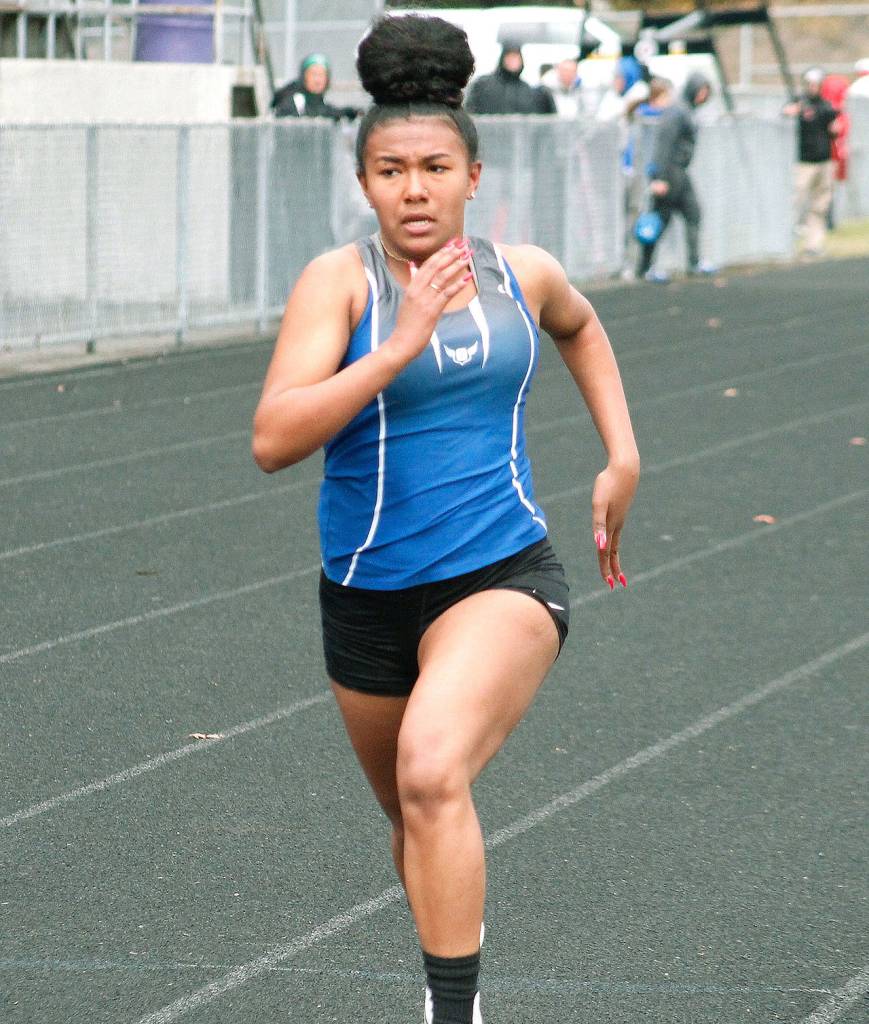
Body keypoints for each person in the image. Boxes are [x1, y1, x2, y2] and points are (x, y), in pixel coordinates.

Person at [252, 14, 639, 1024]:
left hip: (501, 575)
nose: (411, 189)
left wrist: (620, 453)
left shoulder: (524, 272)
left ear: (474, 175)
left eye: (432, 167)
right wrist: (393, 345)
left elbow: (580, 326)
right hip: (365, 597)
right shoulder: (336, 286)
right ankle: (451, 945)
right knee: (414, 815)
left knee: (430, 769)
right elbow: (272, 437)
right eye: (388, 170)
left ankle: (451, 1009)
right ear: (363, 180)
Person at [636, 71, 716, 283]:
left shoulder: (686, 111)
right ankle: (644, 266)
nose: (702, 96)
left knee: (693, 213)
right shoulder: (676, 112)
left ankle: (694, 262)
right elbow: (664, 145)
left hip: (680, 172)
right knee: (659, 219)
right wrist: (658, 178)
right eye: (701, 91)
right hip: (669, 172)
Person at [783, 68, 839, 257]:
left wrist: (835, 129)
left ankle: (814, 244)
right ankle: (786, 241)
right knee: (796, 201)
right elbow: (784, 113)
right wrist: (791, 112)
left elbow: (835, 128)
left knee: (820, 204)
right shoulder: (799, 104)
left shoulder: (826, 108)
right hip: (803, 162)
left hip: (823, 161)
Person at [466, 42, 557, 115]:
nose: (513, 61)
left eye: (516, 57)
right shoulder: (483, 85)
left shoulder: (526, 90)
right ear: (503, 58)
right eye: (510, 56)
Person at [271, 52, 358, 121]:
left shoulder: (320, 104)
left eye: (321, 75)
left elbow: (326, 111)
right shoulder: (293, 102)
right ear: (304, 77)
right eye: (313, 74)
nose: (317, 80)